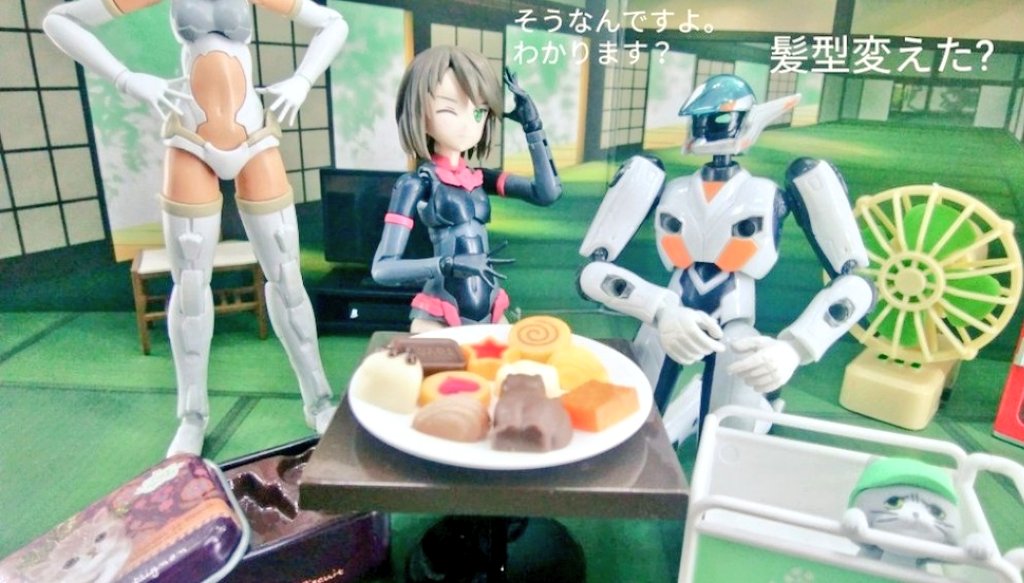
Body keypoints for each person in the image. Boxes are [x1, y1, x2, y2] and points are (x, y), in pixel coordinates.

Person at [43, 0, 348, 456]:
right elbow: (59, 20)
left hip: (255, 139)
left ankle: (319, 399)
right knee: (189, 285)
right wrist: (127, 79)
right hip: (190, 141)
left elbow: (333, 23)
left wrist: (303, 80)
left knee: (287, 278)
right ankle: (192, 415)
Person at [578, 74, 875, 441]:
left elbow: (855, 283)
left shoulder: (765, 194)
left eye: (717, 119)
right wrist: (661, 310)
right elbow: (592, 274)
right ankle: (683, 417)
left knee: (731, 438)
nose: (705, 128)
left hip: (735, 329)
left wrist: (794, 348)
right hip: (667, 319)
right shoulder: (671, 189)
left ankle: (750, 413)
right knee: (631, 420)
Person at [371, 46, 561, 332]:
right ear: (419, 113)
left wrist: (533, 127)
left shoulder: (479, 178)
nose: (468, 125)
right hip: (440, 312)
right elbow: (383, 268)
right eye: (449, 109)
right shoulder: (416, 184)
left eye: (479, 112)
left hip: (492, 306)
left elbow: (547, 193)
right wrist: (447, 264)